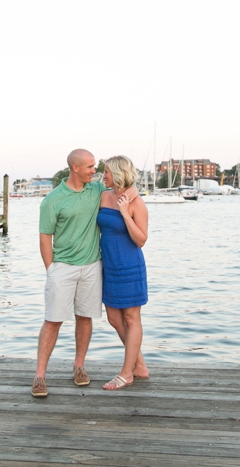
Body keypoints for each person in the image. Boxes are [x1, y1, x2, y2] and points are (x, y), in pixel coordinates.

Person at [32, 149, 135, 398]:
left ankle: (79, 366)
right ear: (75, 168)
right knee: (53, 321)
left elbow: (126, 190)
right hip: (62, 267)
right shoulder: (53, 200)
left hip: (92, 266)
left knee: (85, 317)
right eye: (90, 167)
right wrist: (51, 269)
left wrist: (133, 193)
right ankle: (40, 375)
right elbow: (45, 238)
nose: (95, 171)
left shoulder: (97, 190)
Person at [98, 155, 150, 391]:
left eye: (106, 172)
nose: (103, 176)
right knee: (114, 319)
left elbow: (141, 240)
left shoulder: (136, 202)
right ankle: (139, 366)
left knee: (131, 319)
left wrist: (125, 213)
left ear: (117, 173)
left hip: (129, 263)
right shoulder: (102, 194)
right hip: (108, 265)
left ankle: (126, 373)